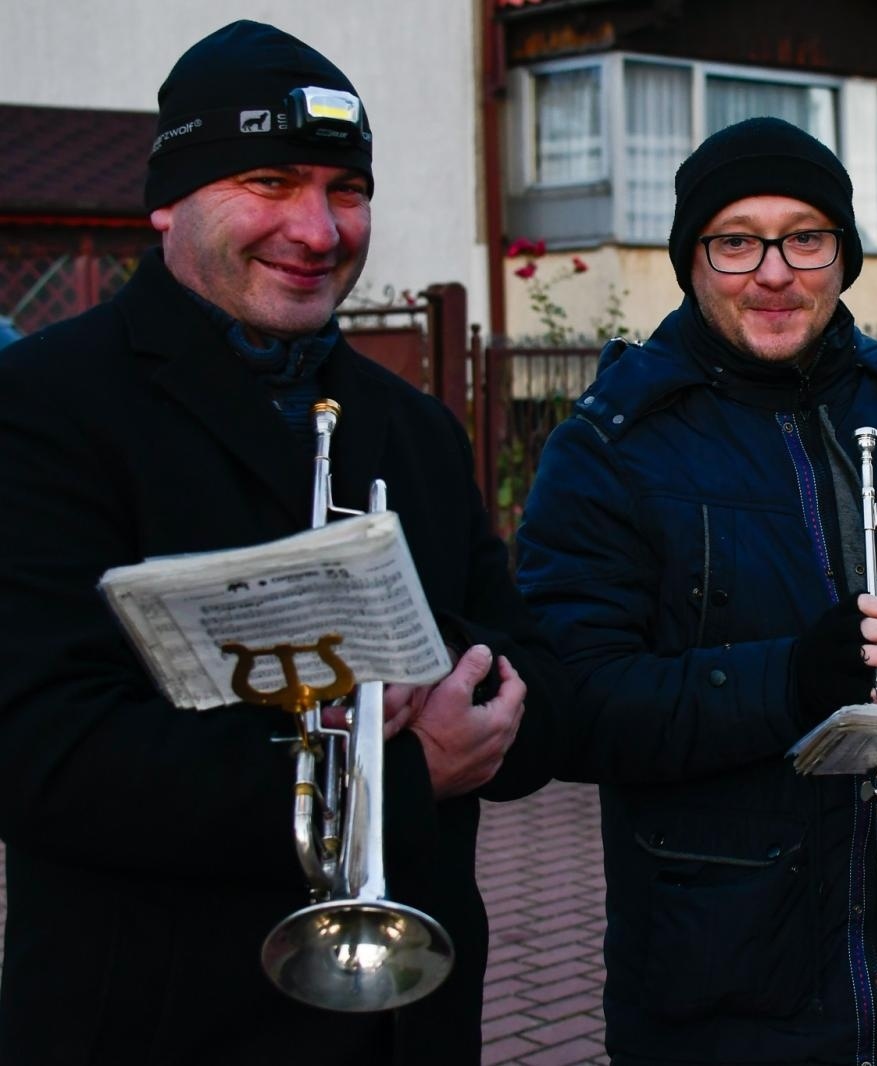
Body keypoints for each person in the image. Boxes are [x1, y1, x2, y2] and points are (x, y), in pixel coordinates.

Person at [0, 21, 567, 1065]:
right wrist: (402, 774)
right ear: (168, 199)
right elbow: (40, 752)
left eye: (346, 190)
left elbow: (528, 680)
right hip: (158, 1022)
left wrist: (475, 694)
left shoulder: (416, 428)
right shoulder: (40, 405)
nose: (317, 229)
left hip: (410, 1027)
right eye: (269, 181)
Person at [515, 119, 877, 1065]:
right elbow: (573, 704)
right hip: (721, 989)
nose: (774, 273)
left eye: (806, 238)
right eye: (736, 242)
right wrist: (793, 679)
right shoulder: (614, 446)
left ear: (844, 256)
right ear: (692, 260)